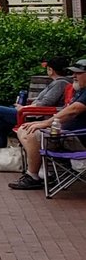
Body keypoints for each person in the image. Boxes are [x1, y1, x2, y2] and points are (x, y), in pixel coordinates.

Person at [8, 61, 86, 190]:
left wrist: (44, 123)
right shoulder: (81, 91)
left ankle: (34, 175)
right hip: (66, 134)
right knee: (26, 129)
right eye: (73, 73)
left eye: (78, 73)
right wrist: (42, 124)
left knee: (32, 134)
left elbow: (73, 111)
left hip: (78, 138)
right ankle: (41, 171)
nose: (73, 76)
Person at [0, 58, 69, 147]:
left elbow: (46, 103)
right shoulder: (58, 82)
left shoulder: (60, 83)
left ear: (50, 69)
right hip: (31, 112)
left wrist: (25, 108)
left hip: (35, 116)